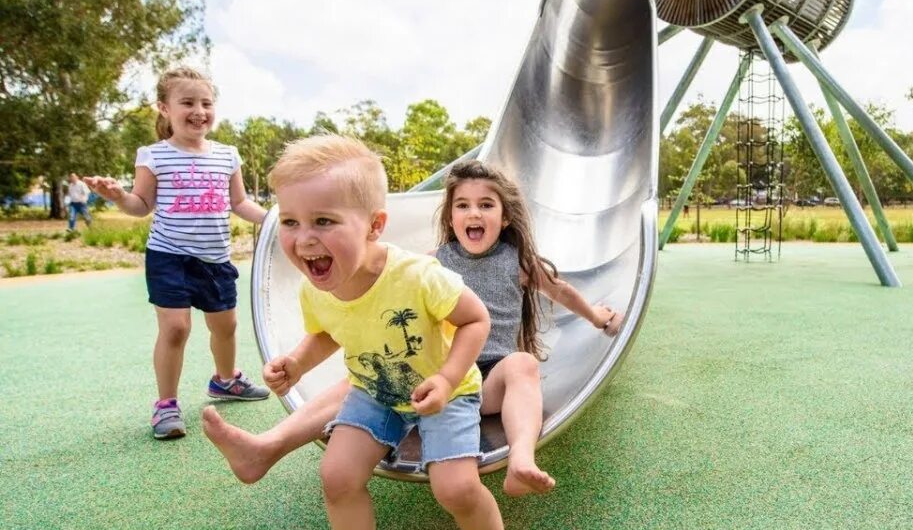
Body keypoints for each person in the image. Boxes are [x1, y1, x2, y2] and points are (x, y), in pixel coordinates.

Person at [202, 159, 622, 497]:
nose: (473, 213)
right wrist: (298, 361)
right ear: (452, 216)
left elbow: (560, 291)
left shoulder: (517, 262)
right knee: (363, 380)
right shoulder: (433, 262)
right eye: (463, 205)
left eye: (486, 205)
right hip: (426, 377)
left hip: (483, 383)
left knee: (523, 364)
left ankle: (522, 460)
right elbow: (391, 283)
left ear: (506, 217)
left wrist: (595, 316)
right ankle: (266, 447)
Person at [253, 134, 532, 530]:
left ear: (375, 226)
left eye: (323, 221)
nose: (303, 239)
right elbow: (326, 334)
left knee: (455, 488)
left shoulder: (420, 275)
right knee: (336, 476)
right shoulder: (317, 286)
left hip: (444, 390)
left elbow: (476, 321)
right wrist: (297, 363)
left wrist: (447, 379)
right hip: (376, 391)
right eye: (291, 222)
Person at [84, 66, 270, 440]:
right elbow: (141, 205)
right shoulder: (153, 155)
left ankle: (225, 380)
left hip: (215, 258)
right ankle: (166, 405)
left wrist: (279, 221)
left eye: (206, 103)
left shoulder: (227, 155)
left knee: (226, 327)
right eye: (187, 102)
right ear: (164, 108)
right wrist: (120, 197)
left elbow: (240, 203)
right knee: (175, 329)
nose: (199, 111)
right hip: (169, 256)